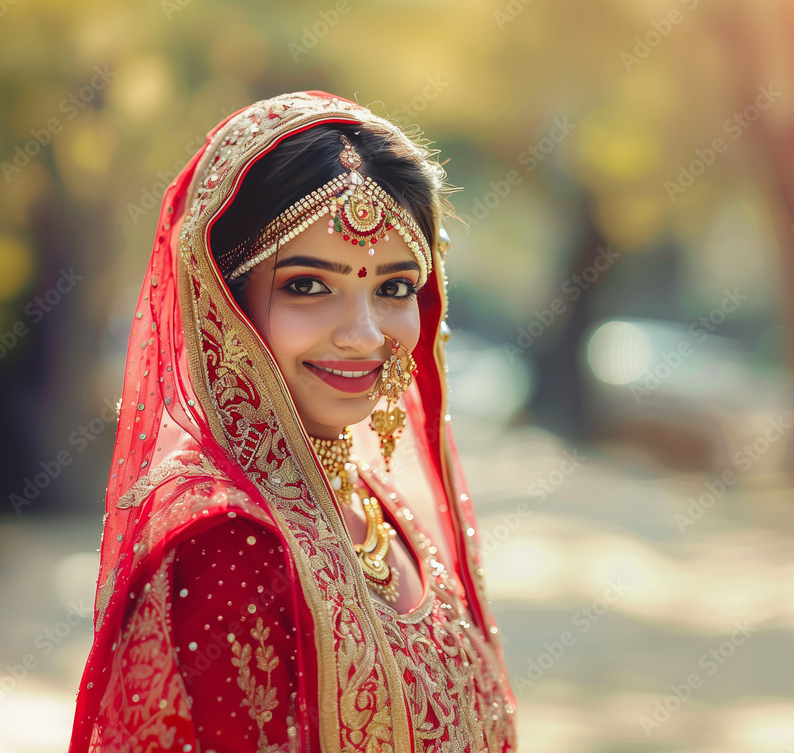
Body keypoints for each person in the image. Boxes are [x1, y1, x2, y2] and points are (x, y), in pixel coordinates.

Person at [68, 91, 517, 752]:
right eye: (308, 284)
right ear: (225, 299)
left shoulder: (378, 508)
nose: (364, 335)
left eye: (394, 288)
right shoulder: (230, 544)